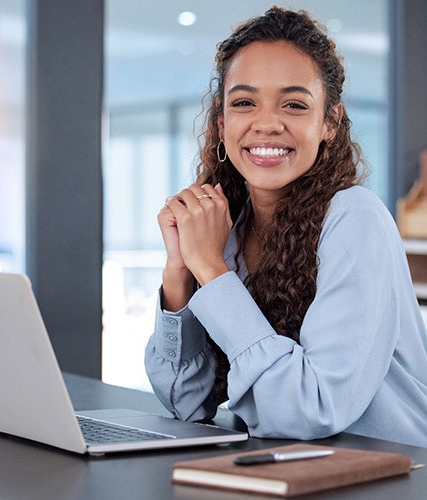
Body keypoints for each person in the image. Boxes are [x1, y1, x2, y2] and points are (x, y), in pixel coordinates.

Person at [144, 6, 427, 448]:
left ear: (329, 123)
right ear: (222, 124)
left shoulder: (356, 218)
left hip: (390, 476)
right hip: (287, 468)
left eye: (294, 104)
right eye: (243, 103)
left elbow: (310, 410)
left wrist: (213, 272)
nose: (267, 124)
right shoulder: (230, 228)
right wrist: (181, 271)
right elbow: (186, 402)